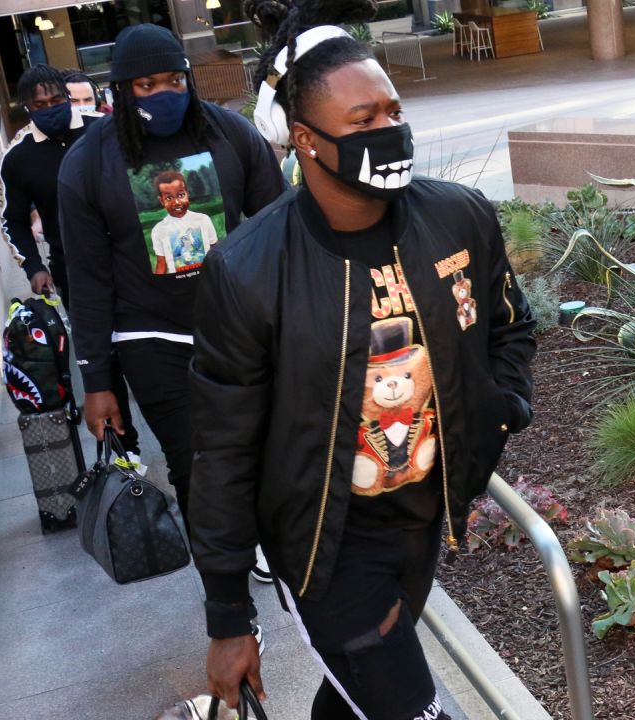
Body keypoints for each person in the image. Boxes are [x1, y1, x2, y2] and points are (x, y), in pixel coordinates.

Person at [188, 0, 536, 716]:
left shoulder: (459, 216)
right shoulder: (249, 270)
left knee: (358, 698)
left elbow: (509, 324)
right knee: (409, 706)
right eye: (363, 120)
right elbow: (221, 452)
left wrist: (504, 405)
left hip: (422, 516)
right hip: (324, 543)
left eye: (392, 110)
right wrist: (228, 615)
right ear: (307, 140)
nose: (389, 130)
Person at [58, 23, 286, 528]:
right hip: (152, 338)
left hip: (239, 329)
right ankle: (225, 587)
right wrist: (96, 382)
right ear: (122, 90)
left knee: (266, 447)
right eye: (148, 85)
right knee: (195, 465)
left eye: (174, 81)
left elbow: (279, 226)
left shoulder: (230, 134)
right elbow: (89, 281)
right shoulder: (88, 163)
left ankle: (265, 541)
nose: (165, 94)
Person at [0, 63, 141, 455]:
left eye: (56, 99)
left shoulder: (104, 127)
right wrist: (34, 267)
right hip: (74, 271)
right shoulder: (19, 157)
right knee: (102, 358)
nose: (50, 107)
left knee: (143, 347)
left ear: (67, 95)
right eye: (39, 104)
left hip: (130, 255)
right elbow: (12, 220)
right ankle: (126, 450)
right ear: (27, 108)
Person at [149, 169, 220, 274]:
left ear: (187, 194)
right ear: (161, 201)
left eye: (181, 195)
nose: (177, 202)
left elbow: (217, 249)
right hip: (177, 285)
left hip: (208, 277)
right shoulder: (158, 230)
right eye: (169, 198)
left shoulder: (203, 219)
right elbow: (161, 263)